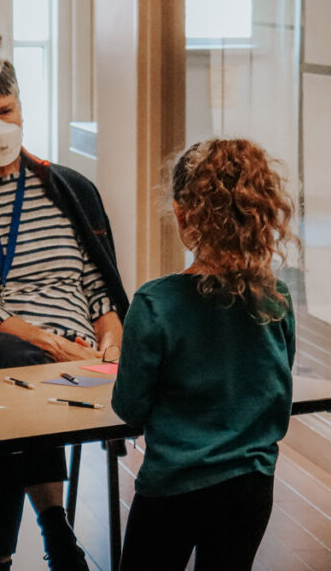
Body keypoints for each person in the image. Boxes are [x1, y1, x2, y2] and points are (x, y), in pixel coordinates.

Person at [0, 60, 128, 571]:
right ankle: (54, 526)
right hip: (5, 345)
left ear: (23, 109)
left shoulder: (70, 189)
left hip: (76, 355)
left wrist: (110, 338)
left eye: (6, 110)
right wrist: (51, 345)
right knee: (9, 371)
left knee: (10, 408)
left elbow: (100, 285)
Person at [112, 138, 297, 571]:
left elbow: (130, 408)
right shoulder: (276, 299)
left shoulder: (155, 303)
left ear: (181, 214)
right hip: (253, 486)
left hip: (174, 485)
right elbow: (277, 391)